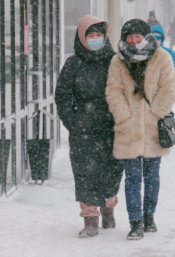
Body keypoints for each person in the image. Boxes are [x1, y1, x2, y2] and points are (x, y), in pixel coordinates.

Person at [106, 19, 175, 240]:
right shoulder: (118, 61)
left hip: (154, 128)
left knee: (152, 176)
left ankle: (149, 216)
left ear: (146, 37)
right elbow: (113, 92)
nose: (133, 41)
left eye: (138, 36)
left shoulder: (162, 57)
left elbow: (169, 89)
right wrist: (124, 117)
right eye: (129, 37)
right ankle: (135, 222)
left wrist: (155, 114)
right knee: (133, 178)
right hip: (128, 129)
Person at [55, 15, 124, 238]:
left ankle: (108, 206)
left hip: (113, 128)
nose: (95, 39)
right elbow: (63, 96)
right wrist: (73, 123)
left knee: (112, 171)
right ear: (81, 38)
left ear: (105, 37)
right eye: (90, 36)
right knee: (85, 173)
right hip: (83, 129)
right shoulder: (73, 64)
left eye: (99, 35)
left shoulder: (117, 61)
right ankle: (90, 219)